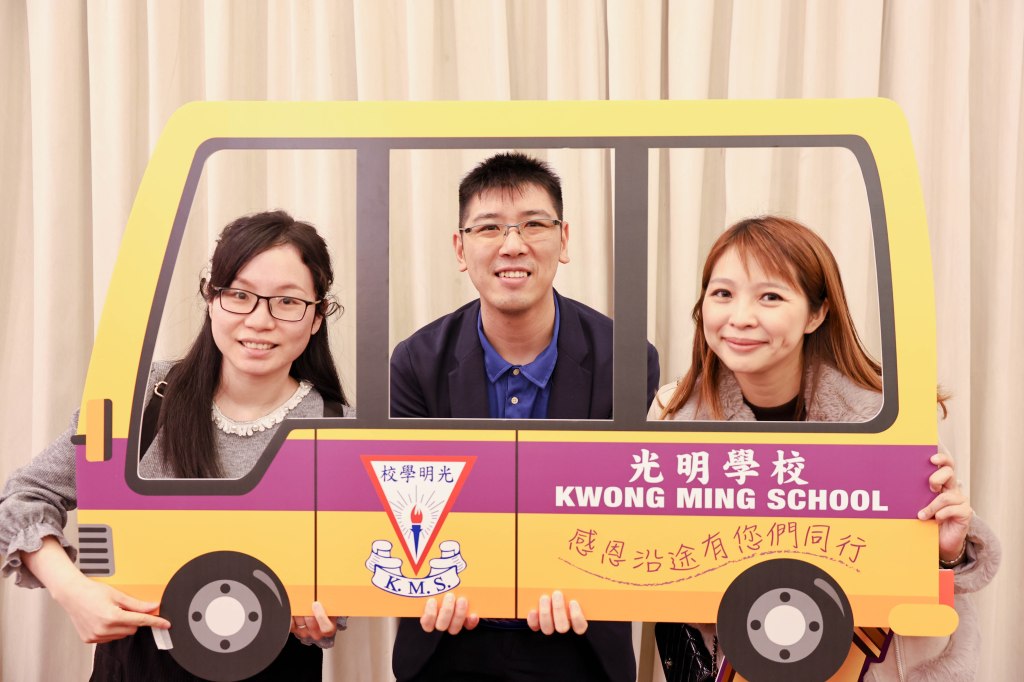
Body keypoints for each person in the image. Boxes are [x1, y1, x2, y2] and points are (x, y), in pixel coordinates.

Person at [0, 210, 350, 680]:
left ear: (317, 316)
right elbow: (25, 497)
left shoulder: (340, 429)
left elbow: (353, 565)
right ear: (211, 298)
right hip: (139, 664)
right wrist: (75, 593)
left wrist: (323, 614)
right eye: (240, 295)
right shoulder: (144, 395)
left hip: (274, 666)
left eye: (287, 302)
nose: (259, 320)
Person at [649, 215, 1000, 681]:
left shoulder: (889, 419)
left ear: (816, 314)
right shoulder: (672, 414)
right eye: (722, 293)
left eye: (770, 297)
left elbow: (931, 578)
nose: (740, 317)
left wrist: (946, 551)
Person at [390, 152, 660, 682]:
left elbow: (624, 508)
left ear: (564, 240)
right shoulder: (416, 361)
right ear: (460, 248)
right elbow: (408, 506)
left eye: (534, 224)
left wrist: (579, 582)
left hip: (580, 637)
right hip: (450, 636)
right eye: (489, 227)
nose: (512, 245)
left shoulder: (626, 360)